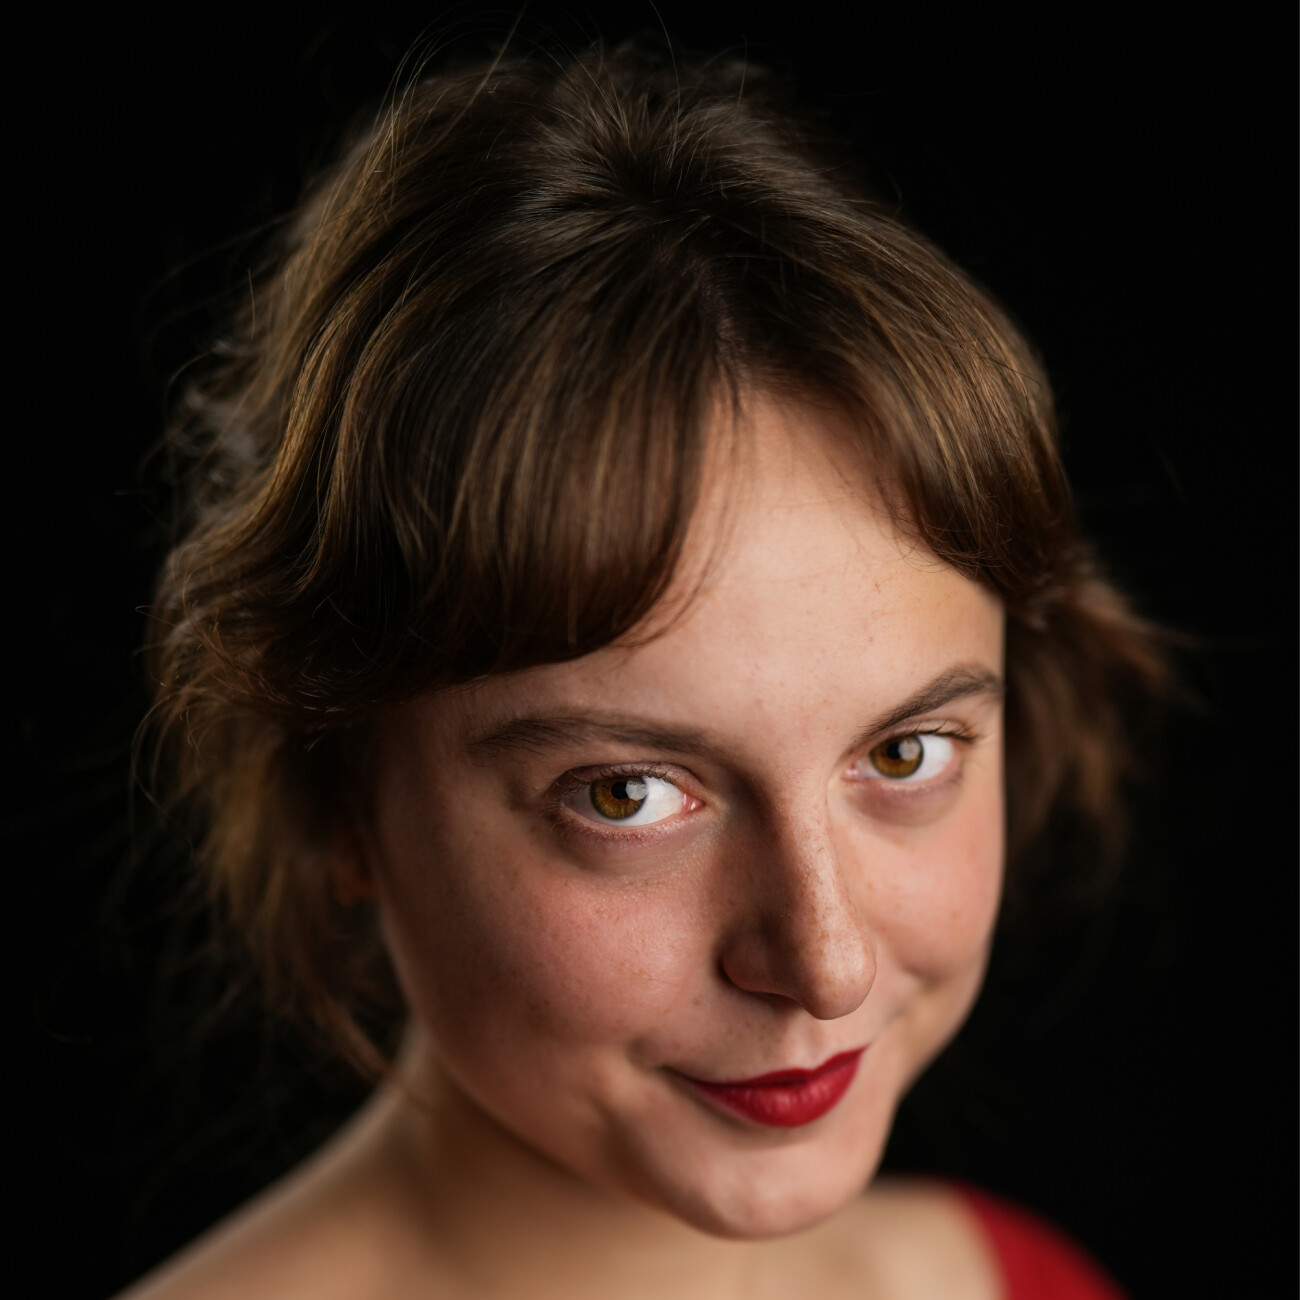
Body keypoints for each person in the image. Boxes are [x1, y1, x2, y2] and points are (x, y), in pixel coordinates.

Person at [122, 37, 1162, 1299]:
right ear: (336, 790)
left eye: (904, 753)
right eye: (625, 794)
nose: (823, 960)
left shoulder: (1015, 1278)